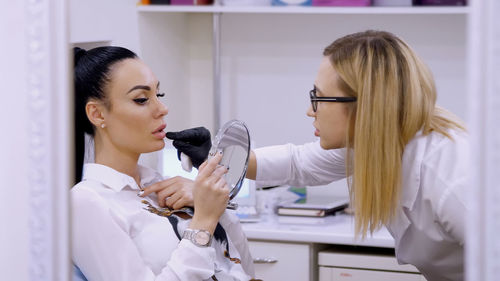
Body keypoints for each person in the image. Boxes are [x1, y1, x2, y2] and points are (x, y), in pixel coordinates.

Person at [168, 30, 469, 281]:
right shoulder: (381, 142)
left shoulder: (453, 177)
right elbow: (299, 164)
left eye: (318, 97)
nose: (310, 111)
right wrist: (219, 157)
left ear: (365, 104)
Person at [72, 46, 255, 281]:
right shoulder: (87, 202)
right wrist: (203, 221)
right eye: (141, 99)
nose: (162, 109)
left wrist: (216, 205)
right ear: (97, 114)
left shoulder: (160, 185)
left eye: (159, 95)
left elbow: (241, 269)